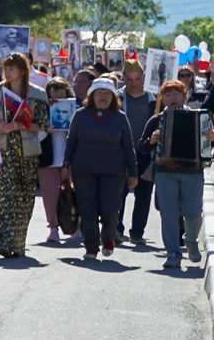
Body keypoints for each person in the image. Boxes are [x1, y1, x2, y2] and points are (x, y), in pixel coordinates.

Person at [0, 53, 44, 259]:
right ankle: (3, 241)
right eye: (5, 69)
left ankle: (18, 242)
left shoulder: (36, 94)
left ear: (22, 71)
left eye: (11, 69)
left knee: (23, 196)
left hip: (26, 151)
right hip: (1, 148)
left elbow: (43, 124)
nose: (6, 73)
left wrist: (19, 124)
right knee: (2, 195)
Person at [64, 80, 138, 258]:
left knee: (109, 208)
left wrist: (133, 173)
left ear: (113, 97)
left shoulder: (120, 117)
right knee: (87, 208)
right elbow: (71, 141)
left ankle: (108, 239)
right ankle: (91, 246)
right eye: (99, 93)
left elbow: (128, 146)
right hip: (83, 169)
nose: (103, 96)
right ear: (91, 96)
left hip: (113, 171)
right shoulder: (81, 115)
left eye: (107, 93)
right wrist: (65, 166)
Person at [142, 81, 205, 272]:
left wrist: (210, 138)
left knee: (193, 213)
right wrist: (151, 140)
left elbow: (207, 147)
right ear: (162, 99)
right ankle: (173, 253)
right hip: (165, 172)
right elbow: (142, 146)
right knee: (169, 214)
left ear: (185, 96)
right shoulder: (156, 120)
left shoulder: (200, 117)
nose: (172, 98)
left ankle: (191, 240)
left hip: (193, 171)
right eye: (167, 95)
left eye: (176, 94)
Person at [36, 77, 76, 244]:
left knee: (74, 195)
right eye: (55, 91)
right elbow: (35, 137)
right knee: (50, 196)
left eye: (62, 91)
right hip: (48, 162)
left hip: (71, 161)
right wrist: (46, 130)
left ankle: (76, 227)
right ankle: (53, 228)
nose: (59, 95)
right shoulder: (42, 112)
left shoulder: (76, 110)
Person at [122, 63, 157, 250]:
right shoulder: (117, 97)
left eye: (137, 79)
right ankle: (116, 230)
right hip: (121, 153)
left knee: (143, 195)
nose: (133, 83)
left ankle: (137, 232)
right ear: (123, 78)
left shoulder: (153, 99)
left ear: (143, 77)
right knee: (119, 194)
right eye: (129, 79)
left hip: (145, 153)